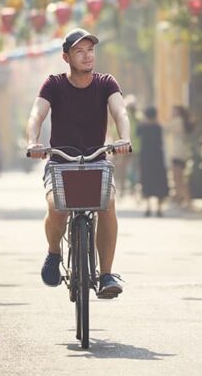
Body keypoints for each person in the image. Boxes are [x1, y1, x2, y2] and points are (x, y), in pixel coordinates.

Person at [25, 28, 132, 299]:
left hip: (97, 160)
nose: (87, 56)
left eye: (90, 50)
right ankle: (53, 252)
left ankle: (106, 274)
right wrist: (33, 142)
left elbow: (120, 110)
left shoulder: (106, 83)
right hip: (62, 161)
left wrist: (124, 137)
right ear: (66, 57)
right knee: (56, 207)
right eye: (79, 51)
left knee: (107, 205)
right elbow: (36, 114)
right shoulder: (54, 84)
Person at [137, 106, 169, 217]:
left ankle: (148, 208)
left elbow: (137, 134)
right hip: (157, 158)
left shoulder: (143, 127)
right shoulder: (158, 127)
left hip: (146, 158)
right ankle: (159, 209)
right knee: (159, 182)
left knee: (147, 182)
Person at [166, 105, 194, 209]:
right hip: (181, 152)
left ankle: (186, 200)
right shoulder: (182, 121)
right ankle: (181, 199)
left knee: (178, 178)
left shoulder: (177, 121)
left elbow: (165, 128)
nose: (172, 113)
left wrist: (169, 119)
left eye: (173, 111)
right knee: (180, 178)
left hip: (177, 153)